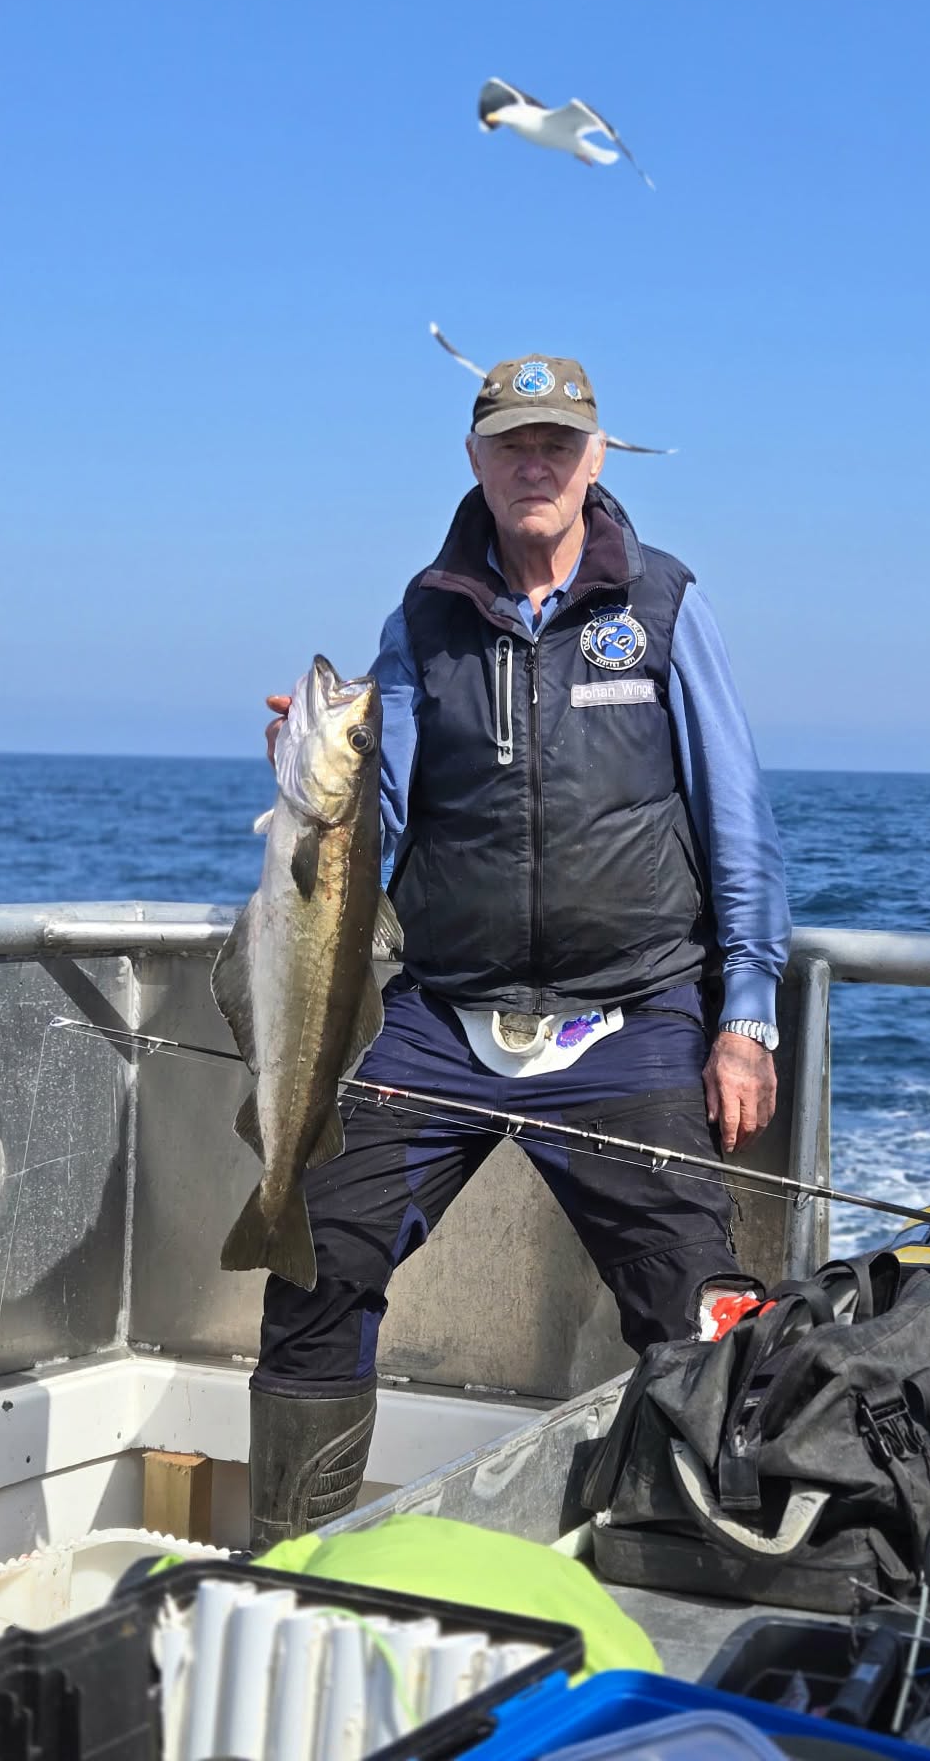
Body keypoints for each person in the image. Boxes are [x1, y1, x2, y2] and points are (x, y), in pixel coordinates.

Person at [249, 355, 791, 1548]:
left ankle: (721, 1559)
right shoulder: (420, 617)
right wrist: (304, 770)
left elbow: (739, 818)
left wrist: (745, 1016)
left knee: (699, 1308)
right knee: (313, 1265)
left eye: (556, 442)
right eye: (511, 442)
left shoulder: (663, 603)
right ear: (475, 460)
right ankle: (286, 1559)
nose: (533, 462)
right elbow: (376, 811)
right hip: (439, 1019)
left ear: (594, 459)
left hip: (630, 1016)